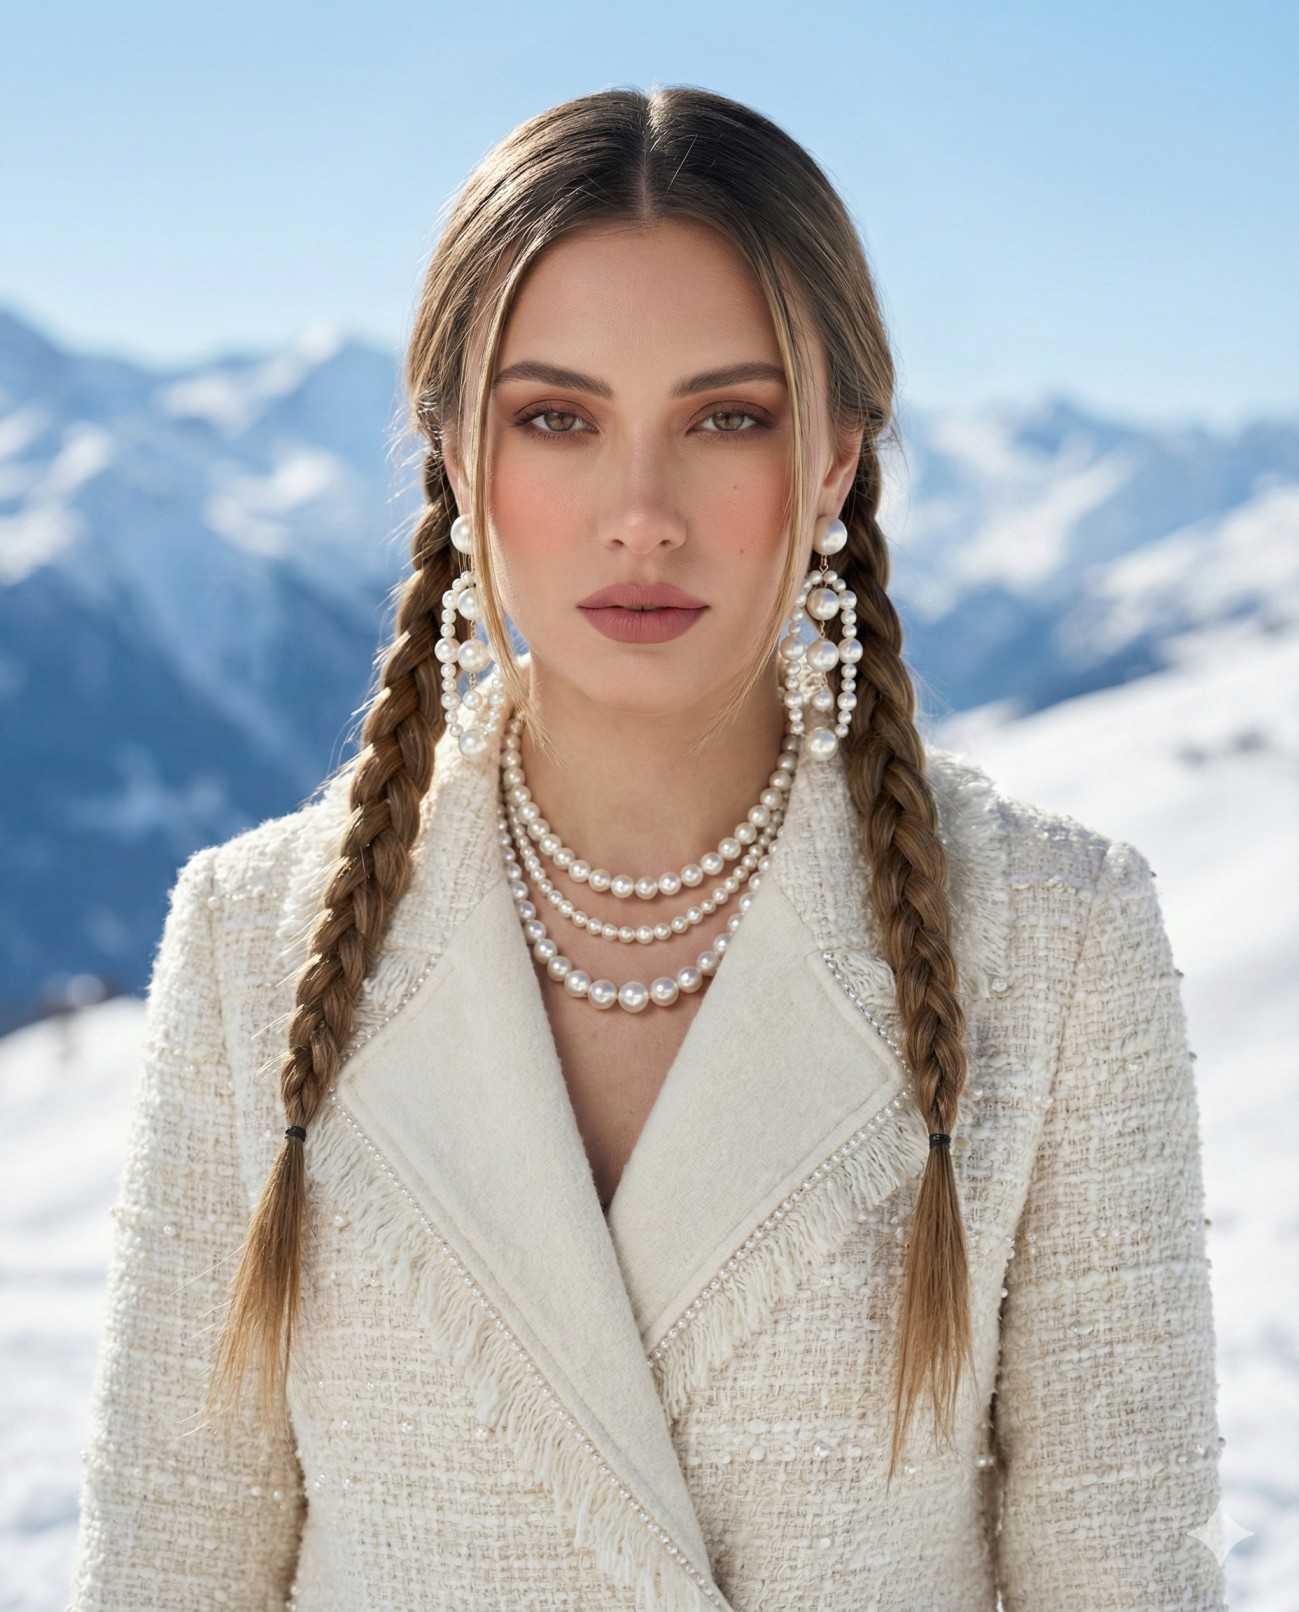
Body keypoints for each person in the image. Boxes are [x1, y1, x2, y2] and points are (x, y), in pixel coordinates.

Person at [68, 85, 1227, 1611]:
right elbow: (169, 1566)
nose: (640, 513)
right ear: (451, 455)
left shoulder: (1054, 940)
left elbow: (1123, 1577)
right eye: (558, 418)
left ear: (836, 459)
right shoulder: (250, 941)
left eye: (726, 418)